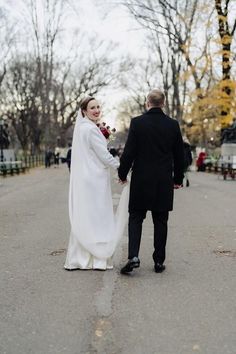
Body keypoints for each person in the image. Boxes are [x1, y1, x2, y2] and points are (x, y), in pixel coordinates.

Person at [118, 89, 184, 274]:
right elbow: (180, 156)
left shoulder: (138, 123)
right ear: (163, 103)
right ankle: (159, 261)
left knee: (136, 218)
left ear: (147, 103)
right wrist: (178, 179)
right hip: (163, 181)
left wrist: (122, 174)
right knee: (161, 220)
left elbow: (129, 152)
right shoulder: (172, 125)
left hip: (141, 179)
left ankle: (133, 256)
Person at [64, 96, 129, 270]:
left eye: (98, 106)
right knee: (98, 216)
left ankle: (82, 256)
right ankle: (97, 258)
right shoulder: (91, 130)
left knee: (88, 215)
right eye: (92, 107)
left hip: (87, 178)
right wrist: (122, 169)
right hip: (94, 178)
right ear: (84, 111)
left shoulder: (84, 128)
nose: (96, 110)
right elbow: (104, 155)